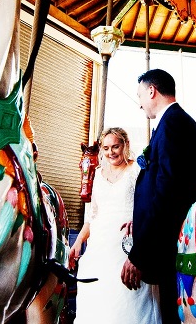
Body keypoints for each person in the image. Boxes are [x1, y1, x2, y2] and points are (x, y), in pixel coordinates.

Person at [121, 69, 196, 324]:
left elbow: (167, 193)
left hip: (174, 243)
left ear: (152, 91)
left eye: (140, 95)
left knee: (174, 315)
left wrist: (139, 254)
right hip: (170, 240)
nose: (139, 104)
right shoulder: (173, 122)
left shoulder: (172, 123)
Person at [69, 127, 161, 324]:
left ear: (125, 145)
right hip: (99, 246)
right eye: (106, 148)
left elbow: (150, 203)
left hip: (127, 243)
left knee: (127, 297)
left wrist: (139, 222)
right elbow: (93, 215)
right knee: (97, 296)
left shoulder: (137, 169)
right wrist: (78, 242)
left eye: (116, 147)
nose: (111, 152)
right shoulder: (98, 175)